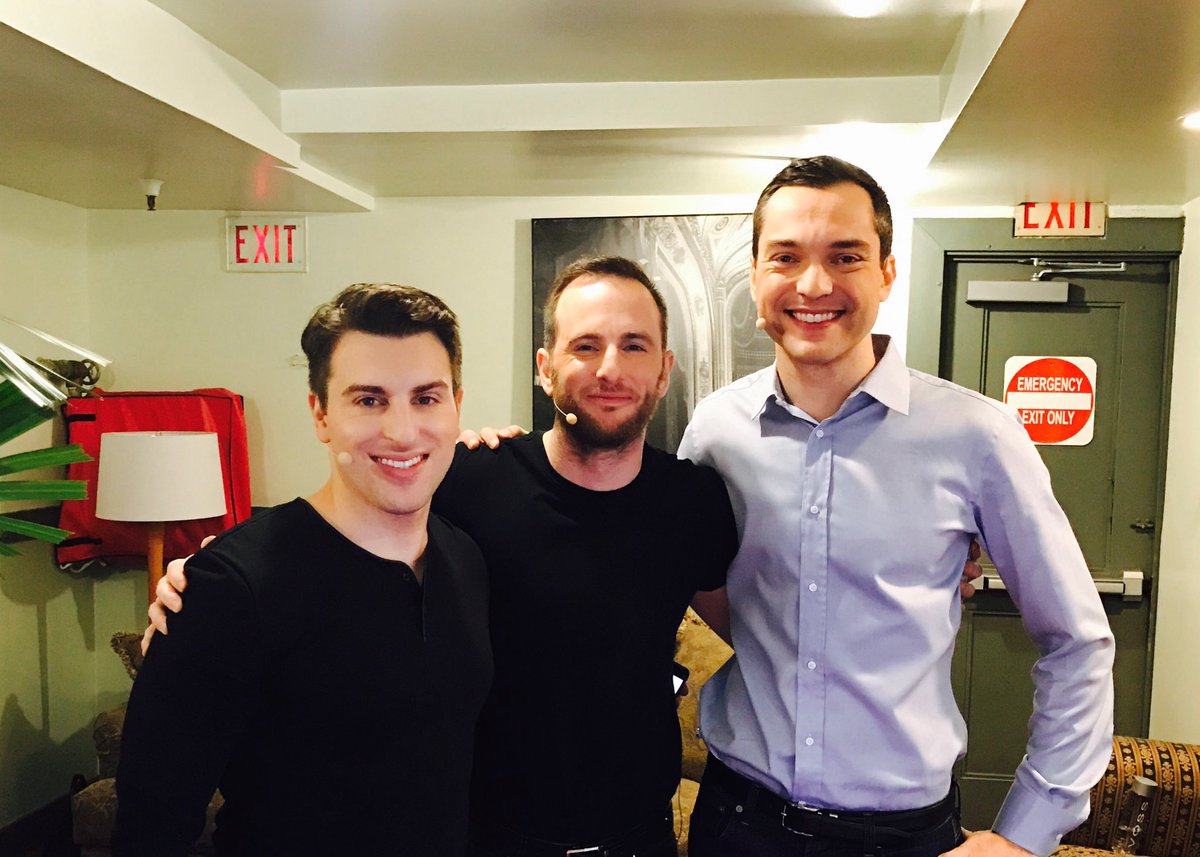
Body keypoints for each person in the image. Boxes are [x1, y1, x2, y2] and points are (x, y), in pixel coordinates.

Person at [147, 256, 742, 857]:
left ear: (664, 369)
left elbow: (757, 633)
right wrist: (210, 579)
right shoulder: (469, 480)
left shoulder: (693, 501)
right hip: (490, 840)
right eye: (585, 345)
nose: (609, 368)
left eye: (634, 345)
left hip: (640, 840)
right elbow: (335, 535)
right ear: (545, 368)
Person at [678, 156, 1115, 857]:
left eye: (845, 256)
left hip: (900, 836)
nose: (812, 284)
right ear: (755, 275)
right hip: (738, 822)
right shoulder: (715, 430)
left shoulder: (977, 436)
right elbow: (687, 575)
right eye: (785, 257)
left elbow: (1077, 641)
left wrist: (1025, 833)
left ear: (886, 272)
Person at [114, 284, 492, 856]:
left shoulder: (465, 557)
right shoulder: (228, 585)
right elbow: (151, 821)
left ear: (456, 405)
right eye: (369, 400)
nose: (402, 430)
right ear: (320, 414)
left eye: (426, 398)